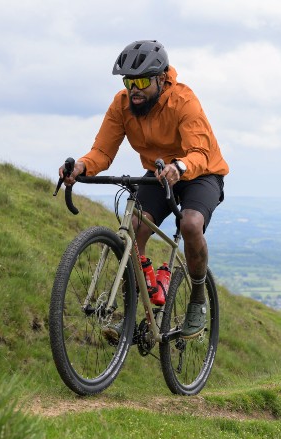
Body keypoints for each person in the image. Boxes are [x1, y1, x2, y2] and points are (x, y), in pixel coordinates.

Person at [59, 39, 229, 340]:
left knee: (190, 225)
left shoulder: (184, 101)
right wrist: (82, 166)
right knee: (134, 227)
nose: (133, 89)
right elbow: (102, 150)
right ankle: (127, 313)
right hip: (158, 173)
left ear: (162, 78)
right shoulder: (122, 104)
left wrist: (180, 167)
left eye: (140, 81)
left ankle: (198, 297)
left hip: (200, 172)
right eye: (128, 81)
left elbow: (200, 152)